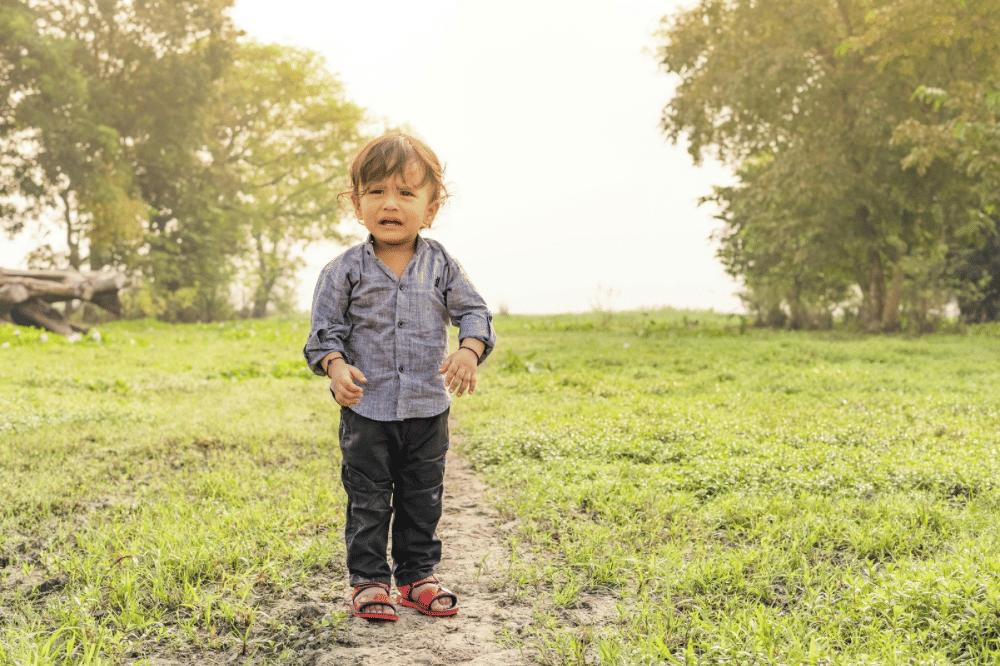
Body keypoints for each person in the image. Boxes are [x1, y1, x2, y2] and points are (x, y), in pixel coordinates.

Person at [303, 133, 496, 622]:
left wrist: (469, 350)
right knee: (368, 499)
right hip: (367, 409)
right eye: (376, 192)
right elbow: (324, 333)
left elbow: (473, 311)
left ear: (430, 209)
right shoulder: (343, 270)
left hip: (428, 408)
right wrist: (336, 366)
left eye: (406, 193)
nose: (390, 203)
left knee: (422, 496)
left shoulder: (440, 264)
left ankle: (416, 578)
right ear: (356, 203)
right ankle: (369, 582)